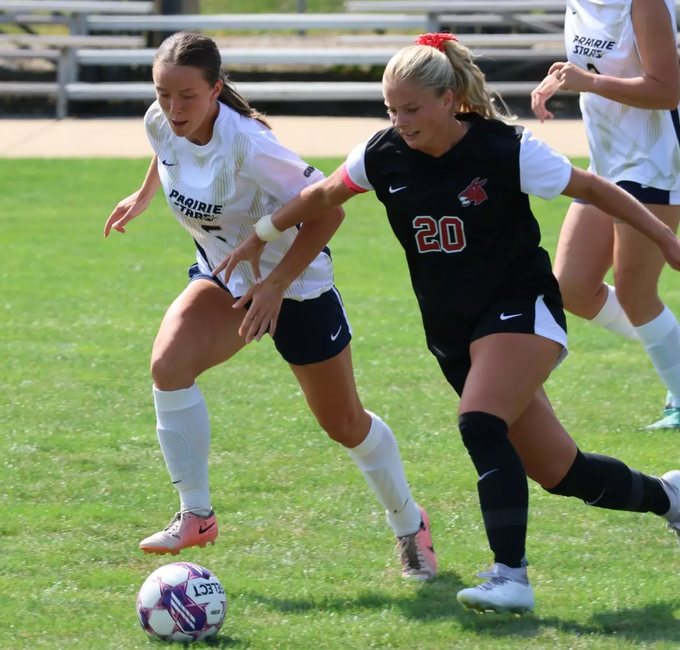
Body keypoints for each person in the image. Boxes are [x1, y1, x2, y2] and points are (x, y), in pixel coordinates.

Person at [213, 33, 680, 614]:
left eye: (411, 108)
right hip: (453, 332)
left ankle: (510, 576)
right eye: (391, 109)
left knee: (479, 422)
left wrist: (667, 239)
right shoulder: (382, 154)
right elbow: (323, 194)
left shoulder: (505, 149)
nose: (399, 121)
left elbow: (593, 186)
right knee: (561, 471)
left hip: (521, 306)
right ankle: (667, 497)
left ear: (449, 99)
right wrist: (261, 235)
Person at [102, 31, 436, 581]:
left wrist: (277, 284)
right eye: (163, 94)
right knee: (168, 365)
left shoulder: (251, 145)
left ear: (216, 89)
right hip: (224, 277)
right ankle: (196, 515)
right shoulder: (160, 120)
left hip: (297, 288)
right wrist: (143, 195)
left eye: (187, 96)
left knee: (343, 423)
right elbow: (169, 148)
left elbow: (329, 211)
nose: (173, 108)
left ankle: (408, 523)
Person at [530, 0, 680, 429]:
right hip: (607, 162)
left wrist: (589, 82)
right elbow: (594, 65)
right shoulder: (577, 3)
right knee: (572, 287)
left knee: (635, 290)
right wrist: (562, 77)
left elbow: (665, 91)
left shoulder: (644, 3)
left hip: (654, 161)